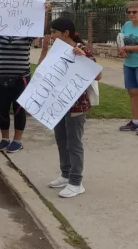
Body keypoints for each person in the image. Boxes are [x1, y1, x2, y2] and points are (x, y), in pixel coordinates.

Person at [39, 17, 102, 198]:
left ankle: (76, 181)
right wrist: (44, 49)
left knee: (74, 142)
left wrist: (84, 58)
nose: (51, 36)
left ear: (65, 33)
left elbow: (98, 76)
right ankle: (65, 174)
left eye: (54, 32)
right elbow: (43, 68)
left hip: (77, 104)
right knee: (61, 139)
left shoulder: (82, 50)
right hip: (59, 103)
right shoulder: (57, 50)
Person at [0, 1, 52, 153]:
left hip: (21, 78)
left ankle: (17, 141)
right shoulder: (2, 33)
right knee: (2, 110)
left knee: (19, 110)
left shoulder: (27, 34)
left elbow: (39, 27)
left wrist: (45, 12)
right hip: (3, 77)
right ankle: (5, 139)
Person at [118, 1, 138, 136]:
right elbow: (120, 39)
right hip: (129, 63)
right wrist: (121, 50)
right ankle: (136, 121)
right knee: (132, 92)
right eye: (128, 12)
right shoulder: (126, 25)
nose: (131, 14)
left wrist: (127, 48)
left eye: (134, 12)